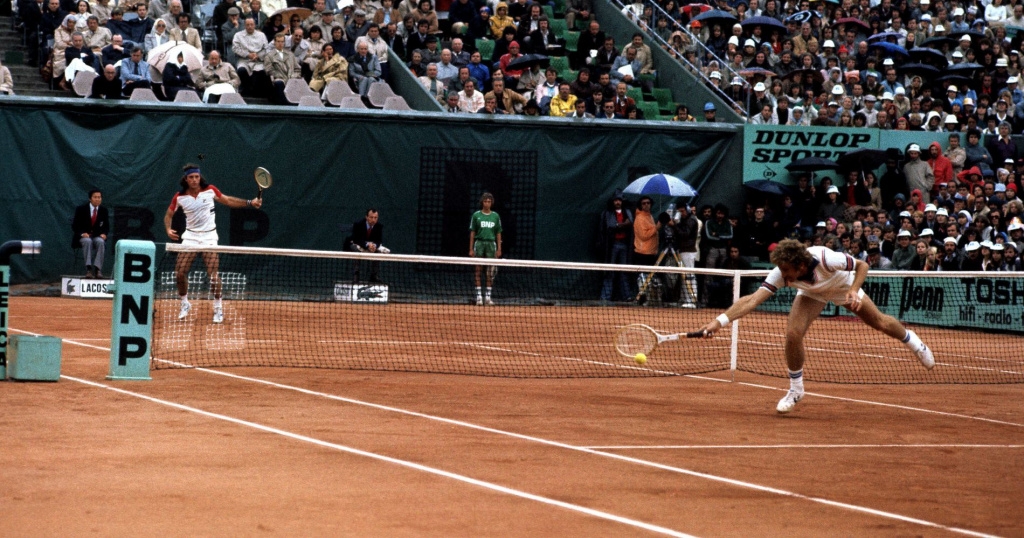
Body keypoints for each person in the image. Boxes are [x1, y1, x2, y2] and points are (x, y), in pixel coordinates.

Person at [699, 239, 935, 414]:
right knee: (793, 334)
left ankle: (913, 342)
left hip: (843, 287)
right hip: (812, 294)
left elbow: (862, 266)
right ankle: (796, 389)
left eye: (787, 271)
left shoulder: (825, 259)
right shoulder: (782, 272)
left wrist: (853, 291)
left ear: (800, 265)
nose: (783, 276)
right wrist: (719, 322)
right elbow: (751, 300)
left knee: (880, 323)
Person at [164, 163, 263, 324]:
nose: (194, 180)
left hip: (209, 236)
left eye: (197, 177)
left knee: (213, 275)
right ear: (186, 179)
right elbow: (168, 215)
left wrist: (250, 203)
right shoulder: (179, 197)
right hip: (190, 237)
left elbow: (229, 201)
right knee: (179, 273)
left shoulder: (210, 190)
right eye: (191, 177)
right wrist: (168, 229)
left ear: (199, 177)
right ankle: (185, 303)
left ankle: (218, 308)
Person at [468, 192, 502, 306]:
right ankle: (479, 298)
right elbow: (473, 232)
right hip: (479, 244)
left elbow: (498, 233)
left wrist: (499, 249)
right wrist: (471, 249)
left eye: (489, 201)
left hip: (491, 245)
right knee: (478, 270)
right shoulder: (476, 215)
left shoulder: (495, 216)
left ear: (491, 203)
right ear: (482, 202)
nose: (487, 203)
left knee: (490, 272)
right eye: (485, 201)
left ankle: (488, 297)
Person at [599, 192, 633, 302]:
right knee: (609, 271)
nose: (617, 202)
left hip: (625, 245)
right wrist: (622, 225)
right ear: (613, 202)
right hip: (612, 245)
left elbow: (631, 225)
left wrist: (624, 225)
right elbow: (610, 227)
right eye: (615, 200)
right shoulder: (607, 213)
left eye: (619, 200)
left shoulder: (627, 213)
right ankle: (605, 297)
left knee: (624, 271)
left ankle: (627, 296)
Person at [72, 189, 109, 278]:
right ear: (90, 199)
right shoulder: (81, 209)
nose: (97, 199)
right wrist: (82, 234)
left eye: (99, 197)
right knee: (87, 241)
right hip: (84, 236)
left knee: (100, 242)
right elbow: (75, 226)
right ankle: (89, 269)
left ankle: (98, 269)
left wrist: (104, 234)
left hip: (96, 236)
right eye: (95, 197)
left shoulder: (104, 210)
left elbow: (107, 226)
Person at [346, 207, 385, 283]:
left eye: (375, 217)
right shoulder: (358, 224)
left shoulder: (379, 226)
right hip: (359, 245)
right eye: (371, 217)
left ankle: (374, 276)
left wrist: (374, 246)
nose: (373, 220)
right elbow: (356, 239)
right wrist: (367, 245)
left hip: (371, 247)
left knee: (379, 252)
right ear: (366, 217)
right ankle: (356, 275)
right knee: (355, 250)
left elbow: (378, 240)